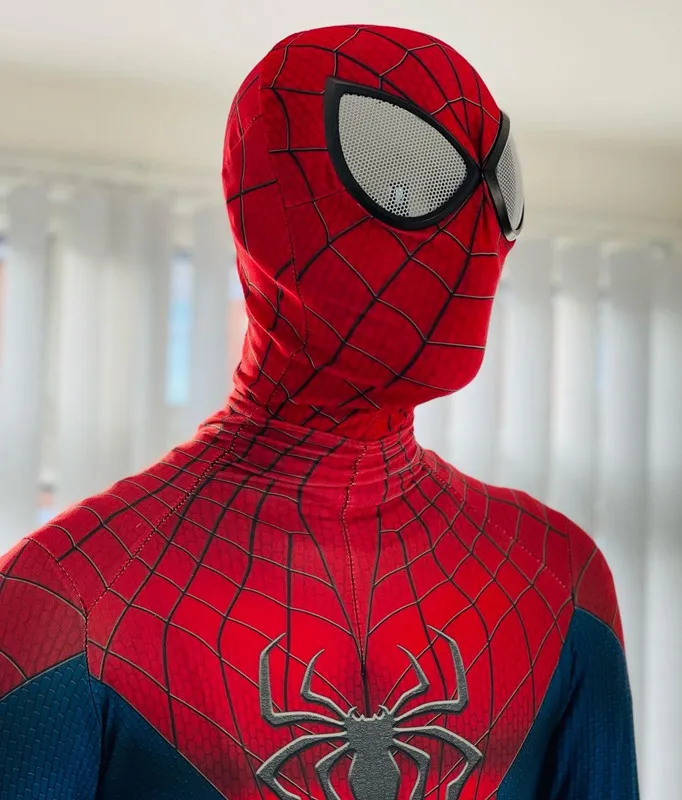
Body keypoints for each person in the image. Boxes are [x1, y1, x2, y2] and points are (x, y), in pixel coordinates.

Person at [0, 24, 638, 799]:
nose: (475, 235)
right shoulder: (65, 602)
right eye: (406, 183)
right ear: (263, 204)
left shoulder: (559, 577)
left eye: (495, 185)